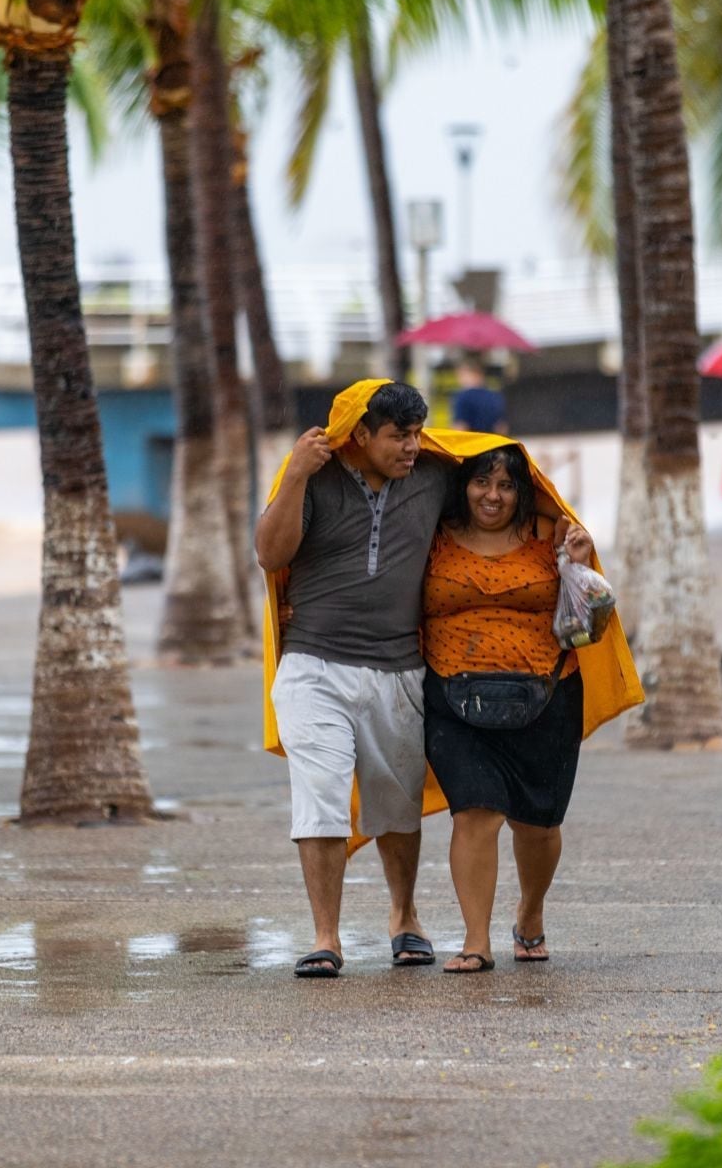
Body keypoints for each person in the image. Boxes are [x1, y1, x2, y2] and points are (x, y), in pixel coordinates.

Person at [255, 382, 446, 978]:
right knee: (320, 799)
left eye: (417, 434)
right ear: (360, 435)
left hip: (400, 671)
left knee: (397, 803)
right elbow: (269, 553)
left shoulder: (437, 478)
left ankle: (404, 916)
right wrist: (292, 475)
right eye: (398, 436)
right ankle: (326, 937)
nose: (411, 447)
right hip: (314, 667)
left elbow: (506, 494)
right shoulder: (313, 477)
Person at [421, 446, 594, 973]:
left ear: (523, 491)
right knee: (475, 811)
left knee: (537, 825)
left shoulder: (554, 536)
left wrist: (581, 568)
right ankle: (476, 941)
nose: (492, 496)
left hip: (549, 694)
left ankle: (531, 911)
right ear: (462, 486)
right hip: (452, 696)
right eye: (481, 482)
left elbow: (591, 622)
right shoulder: (432, 537)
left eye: (506, 486)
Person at [448, 356, 509, 435]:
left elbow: (460, 426)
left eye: (461, 375)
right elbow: (501, 427)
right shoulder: (495, 396)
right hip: (491, 443)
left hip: (471, 444)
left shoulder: (463, 397)